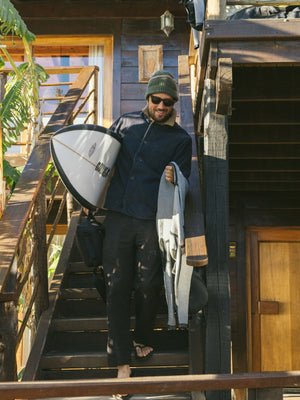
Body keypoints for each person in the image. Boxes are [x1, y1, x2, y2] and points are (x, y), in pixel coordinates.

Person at [102, 70, 192, 388]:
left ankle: (142, 335)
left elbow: (185, 179)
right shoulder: (125, 123)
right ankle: (121, 361)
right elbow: (102, 160)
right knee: (115, 286)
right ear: (148, 98)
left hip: (151, 221)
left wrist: (175, 176)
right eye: (157, 100)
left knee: (147, 284)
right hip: (117, 215)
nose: (162, 106)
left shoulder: (181, 139)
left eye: (168, 102)